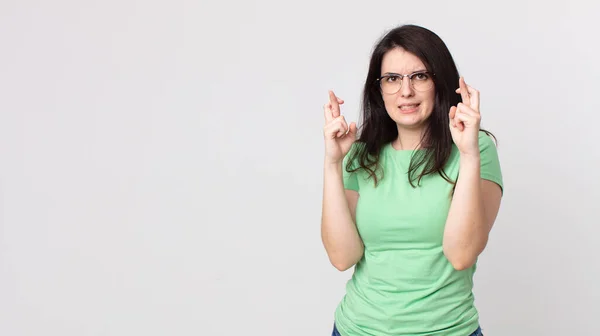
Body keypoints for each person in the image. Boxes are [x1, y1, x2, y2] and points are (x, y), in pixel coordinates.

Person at [320, 24, 503, 336]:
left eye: (420, 76)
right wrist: (333, 163)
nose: (405, 91)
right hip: (357, 329)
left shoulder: (475, 148)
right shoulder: (360, 154)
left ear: (440, 82)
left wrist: (469, 155)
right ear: (378, 89)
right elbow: (342, 257)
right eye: (392, 79)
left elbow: (461, 255)